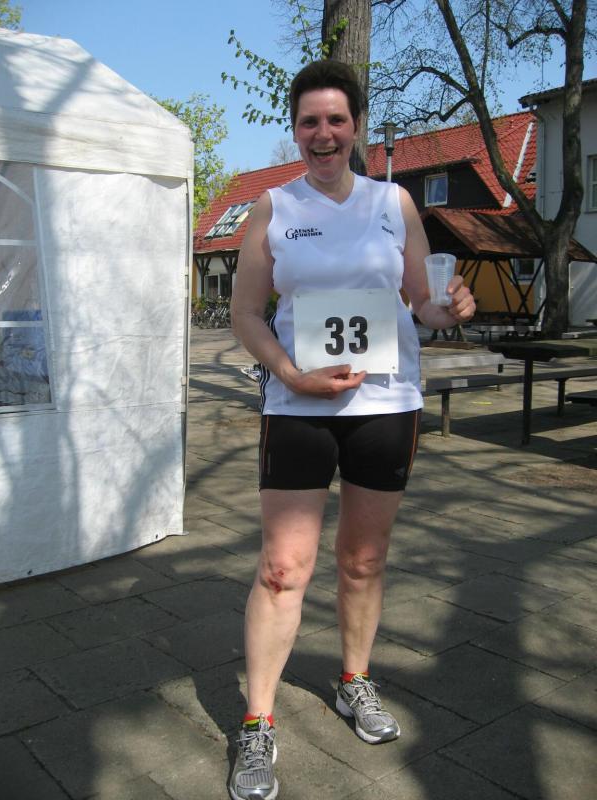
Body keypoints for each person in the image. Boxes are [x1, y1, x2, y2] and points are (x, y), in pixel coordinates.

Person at [228, 59, 475, 800]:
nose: (324, 133)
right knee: (283, 569)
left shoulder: (394, 202)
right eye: (310, 121)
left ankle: (354, 681)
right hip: (297, 408)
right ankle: (257, 723)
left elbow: (422, 302)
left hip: (385, 406)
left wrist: (448, 309)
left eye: (336, 119)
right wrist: (289, 372)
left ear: (356, 126)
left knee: (364, 562)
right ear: (295, 130)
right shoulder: (272, 208)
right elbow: (245, 314)